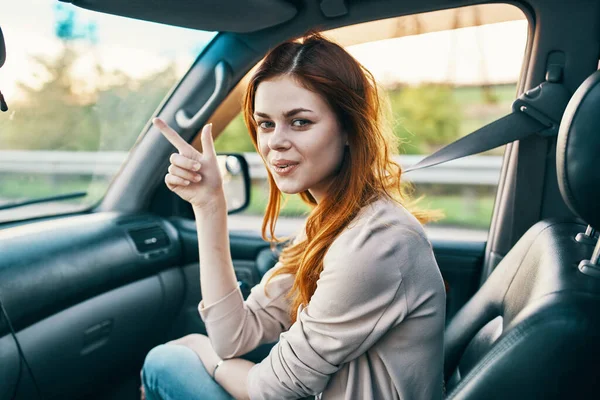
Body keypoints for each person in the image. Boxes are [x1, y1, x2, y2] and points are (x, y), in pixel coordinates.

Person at [141, 32, 446, 400]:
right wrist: (209, 207)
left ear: (349, 127)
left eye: (299, 122)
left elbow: (269, 390)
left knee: (164, 362)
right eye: (265, 124)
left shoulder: (376, 242)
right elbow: (234, 336)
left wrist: (202, 353)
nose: (275, 142)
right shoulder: (332, 223)